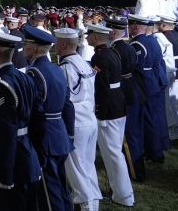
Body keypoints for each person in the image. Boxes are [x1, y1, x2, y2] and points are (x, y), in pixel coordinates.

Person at [0, 28, 41, 211]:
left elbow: (7, 132)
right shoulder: (24, 77)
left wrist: (5, 173)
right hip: (29, 155)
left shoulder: (1, 84)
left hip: (14, 160)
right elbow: (39, 119)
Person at [22, 24, 74, 211]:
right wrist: (69, 132)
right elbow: (68, 105)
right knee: (60, 184)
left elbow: (33, 110)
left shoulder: (34, 73)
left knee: (48, 188)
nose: (23, 47)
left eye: (26, 43)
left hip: (45, 135)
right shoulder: (56, 69)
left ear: (34, 48)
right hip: (59, 131)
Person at [86, 23, 135, 207]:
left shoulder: (99, 56)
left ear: (96, 37)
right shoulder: (112, 52)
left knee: (113, 153)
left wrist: (101, 113)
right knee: (114, 152)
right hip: (117, 104)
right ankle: (120, 192)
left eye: (90, 34)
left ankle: (124, 194)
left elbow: (103, 87)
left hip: (109, 109)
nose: (88, 37)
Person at [54, 28, 102, 211]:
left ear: (63, 44)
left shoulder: (66, 68)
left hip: (76, 123)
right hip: (89, 119)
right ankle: (93, 204)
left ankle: (86, 206)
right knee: (88, 167)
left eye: (57, 41)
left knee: (76, 170)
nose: (55, 45)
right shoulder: (84, 62)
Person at [127, 14, 170, 164]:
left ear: (136, 26)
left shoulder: (137, 44)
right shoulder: (152, 41)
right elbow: (157, 64)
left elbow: (136, 68)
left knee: (147, 119)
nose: (129, 28)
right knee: (152, 118)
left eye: (130, 25)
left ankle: (154, 152)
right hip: (152, 82)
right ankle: (156, 150)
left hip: (144, 85)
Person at [107, 17, 146, 181]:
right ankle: (136, 169)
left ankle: (134, 172)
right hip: (133, 87)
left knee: (128, 136)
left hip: (124, 89)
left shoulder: (114, 50)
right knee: (134, 132)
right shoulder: (129, 46)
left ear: (111, 31)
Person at [158, 15, 178, 142]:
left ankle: (172, 130)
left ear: (164, 25)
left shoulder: (166, 37)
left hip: (172, 71)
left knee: (170, 103)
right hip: (176, 70)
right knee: (175, 103)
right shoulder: (176, 34)